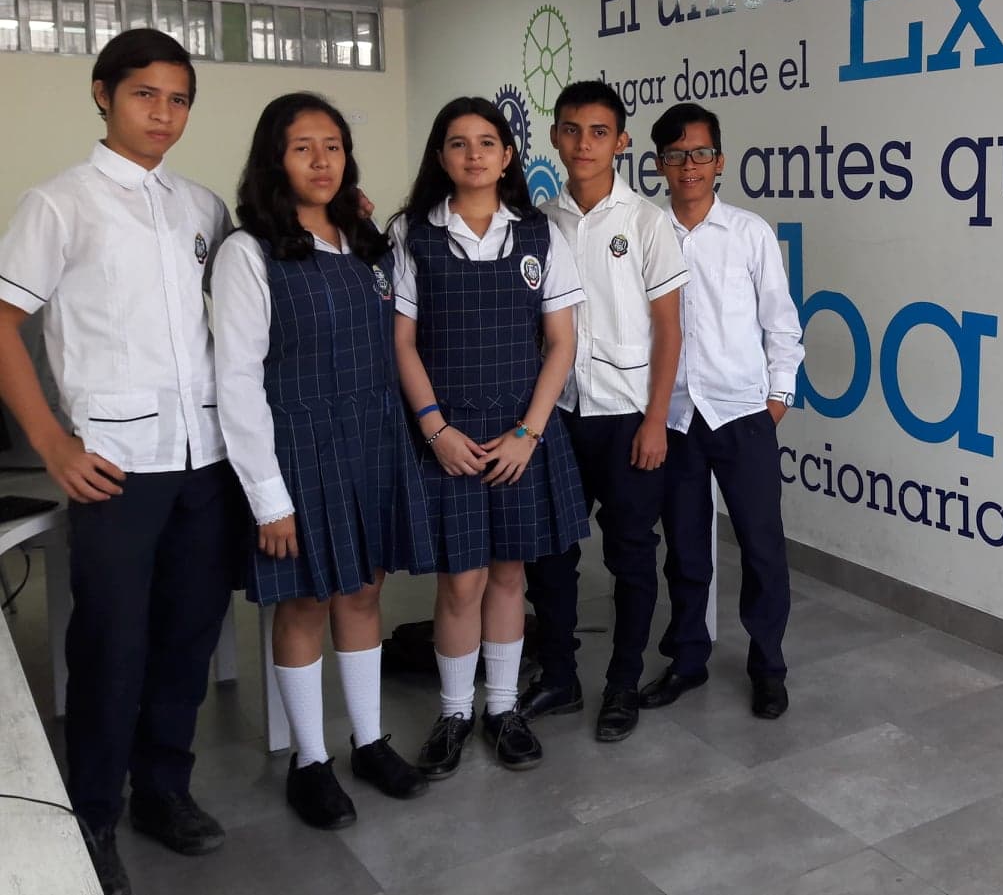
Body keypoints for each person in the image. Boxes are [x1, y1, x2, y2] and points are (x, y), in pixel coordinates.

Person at [0, 28, 245, 895]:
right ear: (103, 94)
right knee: (111, 644)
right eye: (146, 94)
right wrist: (52, 443)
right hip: (115, 465)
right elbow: (3, 325)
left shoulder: (203, 208)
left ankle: (163, 791)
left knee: (187, 636)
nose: (163, 114)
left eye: (179, 99)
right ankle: (95, 811)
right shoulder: (58, 204)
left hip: (205, 459)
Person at [211, 92, 430, 831]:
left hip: (371, 439)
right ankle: (310, 761)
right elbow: (237, 380)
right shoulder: (249, 253)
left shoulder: (365, 242)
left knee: (363, 594)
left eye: (332, 146)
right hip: (297, 451)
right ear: (274, 159)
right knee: (305, 601)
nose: (321, 160)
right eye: (302, 146)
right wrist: (268, 497)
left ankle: (369, 742)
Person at [389, 97, 589, 778]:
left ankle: (502, 708)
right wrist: (435, 429)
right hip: (447, 432)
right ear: (440, 156)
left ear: (507, 156)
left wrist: (529, 433)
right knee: (461, 579)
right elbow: (403, 343)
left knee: (508, 573)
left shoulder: (540, 234)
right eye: (458, 143)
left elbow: (560, 342)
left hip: (519, 431)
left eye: (486, 142)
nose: (473, 154)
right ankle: (454, 712)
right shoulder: (412, 234)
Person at [521, 80, 687, 742]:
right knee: (550, 551)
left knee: (630, 553)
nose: (583, 144)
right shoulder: (540, 222)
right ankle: (560, 674)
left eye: (598, 132)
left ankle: (622, 681)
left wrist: (656, 419)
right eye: (571, 130)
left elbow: (669, 329)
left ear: (620, 142)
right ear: (554, 137)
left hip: (627, 418)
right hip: (559, 414)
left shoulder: (646, 221)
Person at [642, 103, 803, 720]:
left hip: (742, 414)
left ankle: (768, 666)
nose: (689, 165)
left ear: (720, 161)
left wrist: (777, 400)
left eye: (701, 153)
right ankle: (688, 658)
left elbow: (781, 324)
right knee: (684, 549)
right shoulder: (647, 233)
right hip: (675, 417)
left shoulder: (749, 233)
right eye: (676, 155)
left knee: (762, 546)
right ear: (660, 164)